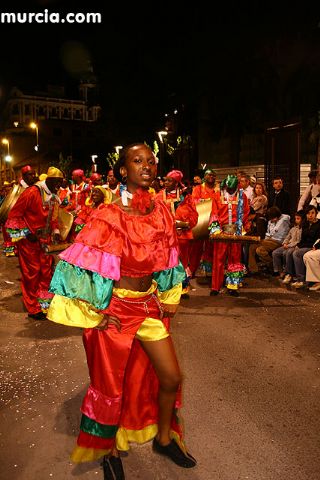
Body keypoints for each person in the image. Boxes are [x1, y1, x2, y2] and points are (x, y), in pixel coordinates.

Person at [47, 143, 196, 479]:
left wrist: (166, 296)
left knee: (171, 377)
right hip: (116, 311)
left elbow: (170, 259)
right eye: (137, 160)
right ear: (123, 171)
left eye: (151, 160)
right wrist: (97, 315)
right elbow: (77, 266)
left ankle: (163, 437)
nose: (147, 165)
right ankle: (109, 451)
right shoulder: (109, 215)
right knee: (110, 388)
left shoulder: (160, 213)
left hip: (148, 308)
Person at [5, 167, 64, 320]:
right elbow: (14, 216)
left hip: (45, 241)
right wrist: (26, 233)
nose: (59, 186)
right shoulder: (32, 192)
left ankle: (43, 305)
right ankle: (33, 307)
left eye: (61, 183)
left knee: (45, 273)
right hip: (28, 243)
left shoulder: (53, 195)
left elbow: (54, 218)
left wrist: (56, 232)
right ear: (48, 180)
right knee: (32, 274)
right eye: (57, 182)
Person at [208, 174, 250, 296]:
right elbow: (214, 213)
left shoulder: (242, 197)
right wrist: (216, 230)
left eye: (232, 188)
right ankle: (215, 287)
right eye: (228, 188)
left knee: (235, 259)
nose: (230, 190)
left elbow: (246, 212)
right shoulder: (217, 196)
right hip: (221, 232)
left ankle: (233, 286)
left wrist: (242, 227)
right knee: (218, 260)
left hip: (236, 233)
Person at [272, 210, 303, 278]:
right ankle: (279, 271)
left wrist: (288, 245)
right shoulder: (293, 228)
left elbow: (298, 241)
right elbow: (288, 237)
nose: (296, 220)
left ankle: (288, 272)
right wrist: (285, 243)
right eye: (295, 218)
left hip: (294, 246)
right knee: (275, 253)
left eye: (298, 218)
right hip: (288, 245)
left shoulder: (302, 230)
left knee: (286, 253)